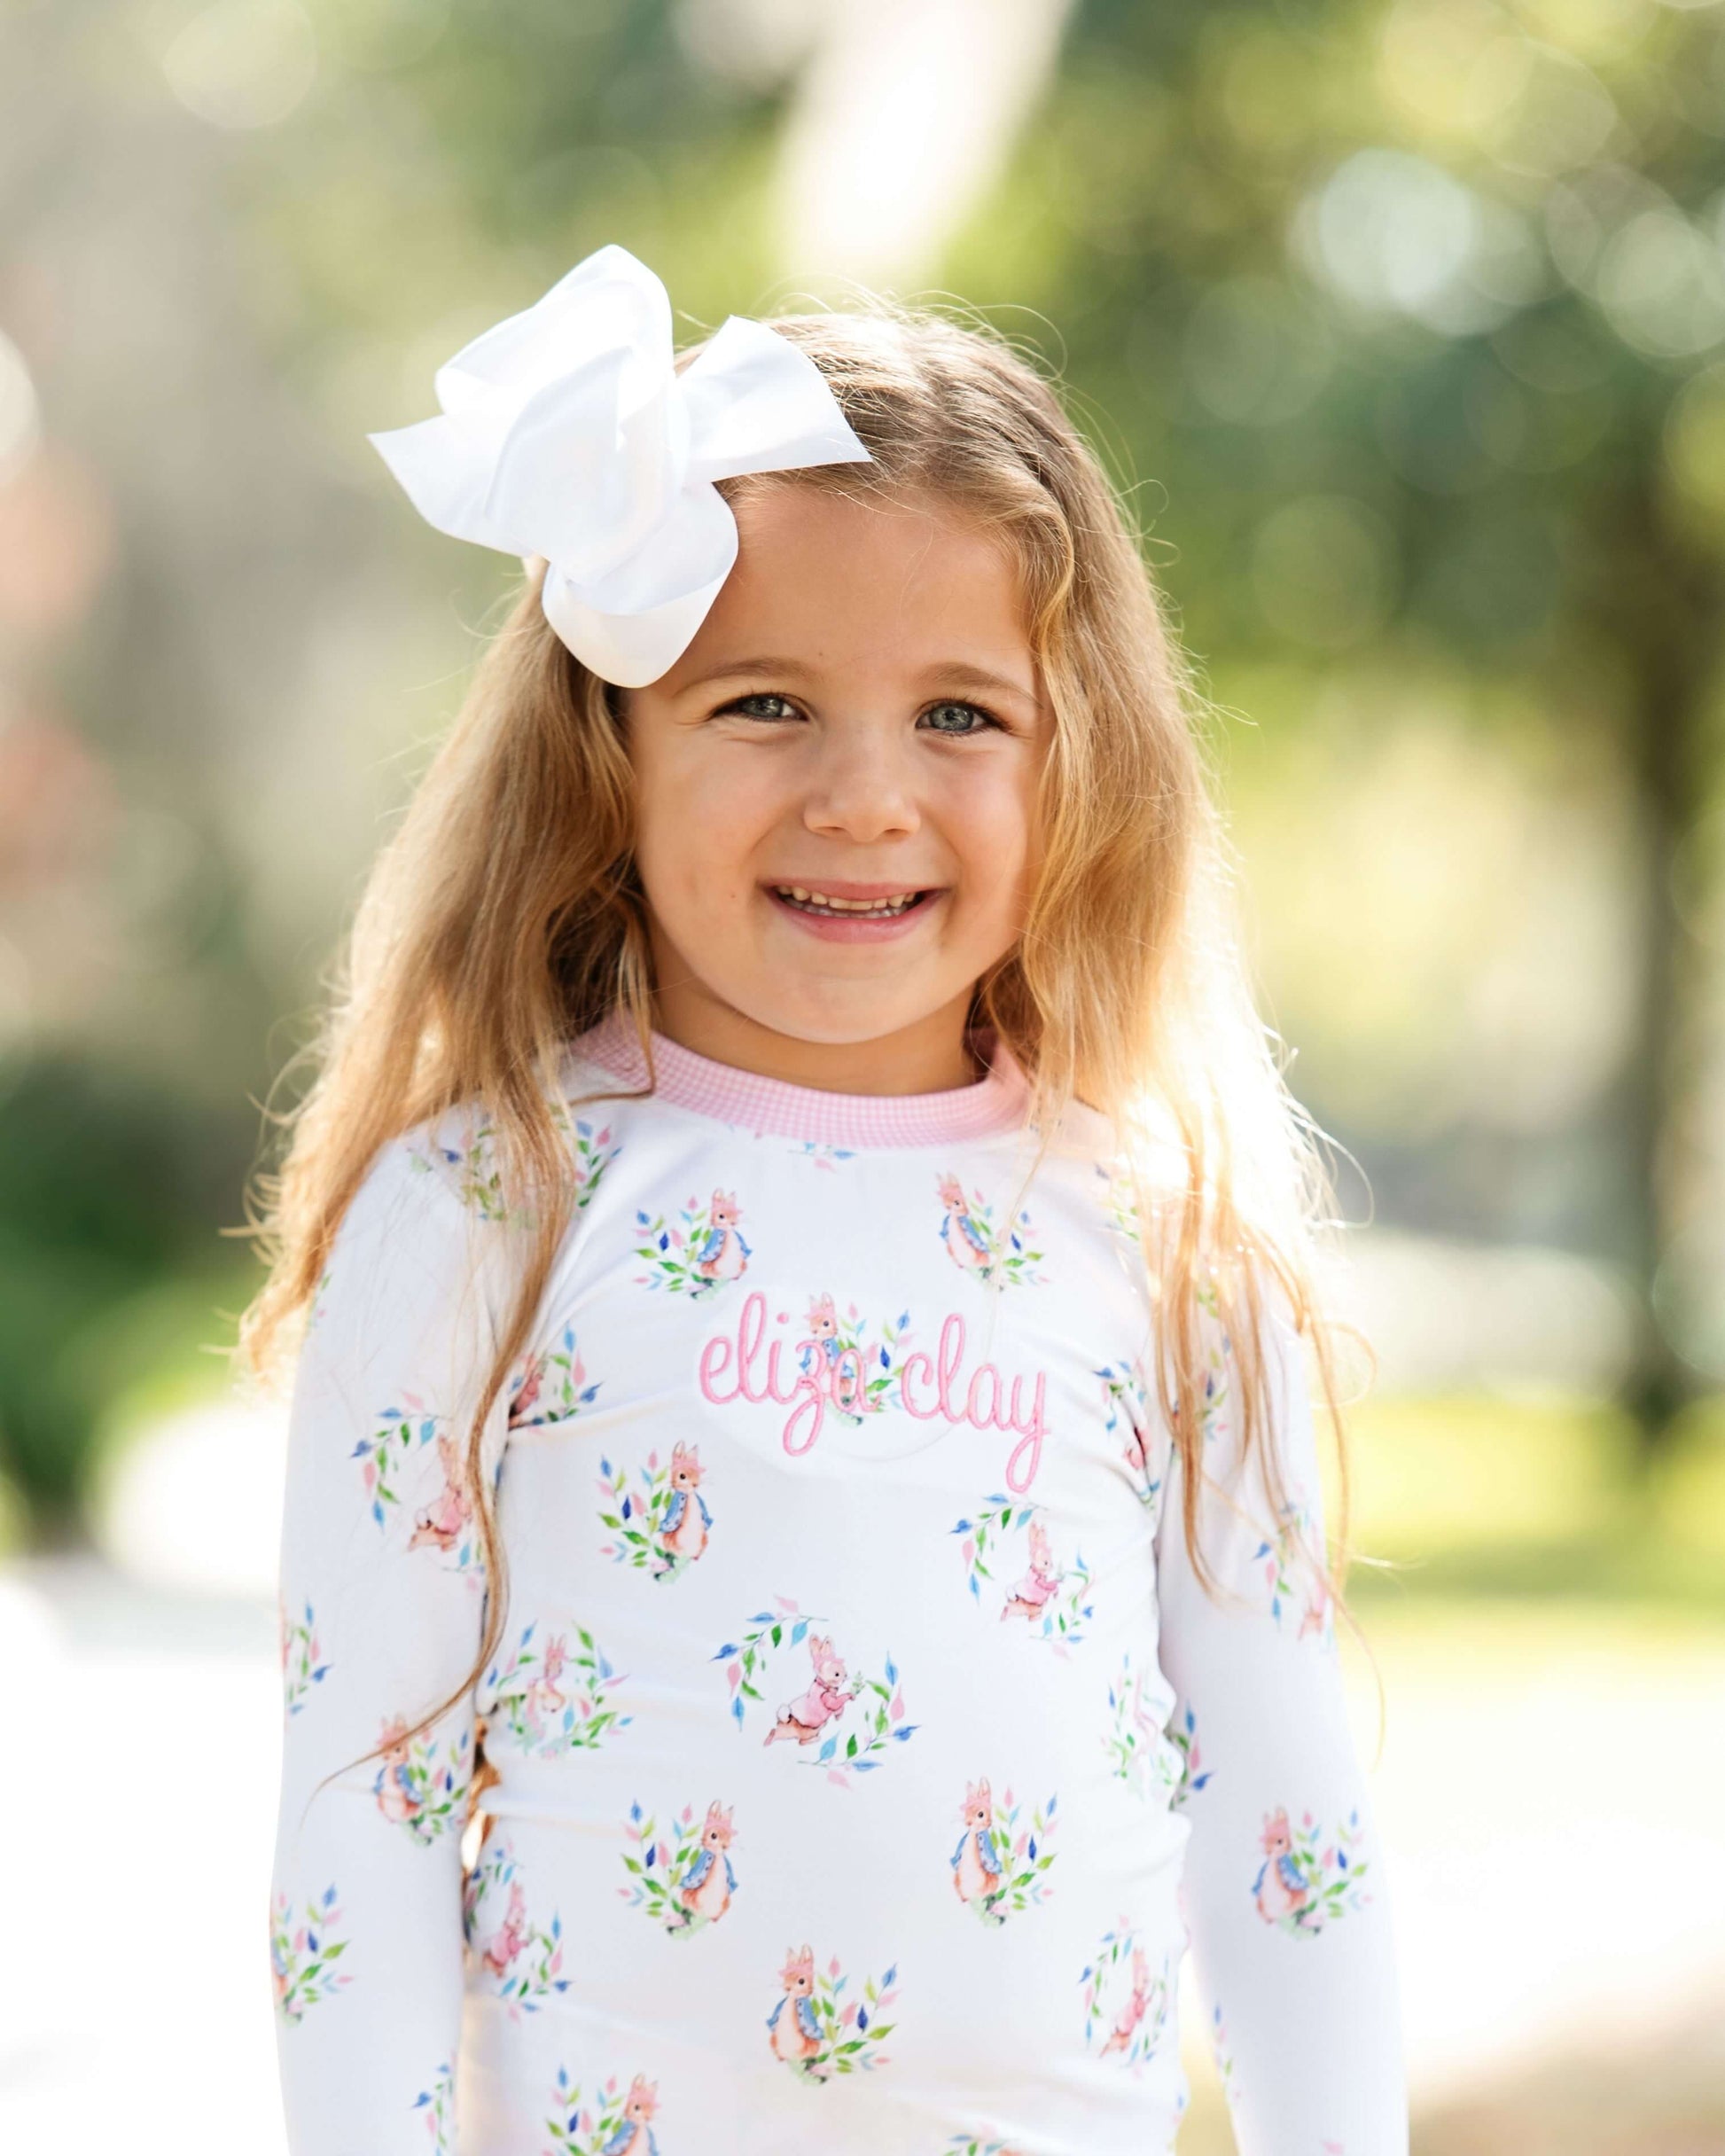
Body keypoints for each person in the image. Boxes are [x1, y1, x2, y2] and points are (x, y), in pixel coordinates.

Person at [242, 243, 1408, 2156]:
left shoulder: (1168, 1250)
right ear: (607, 750)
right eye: (766, 703)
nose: (865, 797)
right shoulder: (481, 1211)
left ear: (1081, 761)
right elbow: (361, 1808)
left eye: (960, 716)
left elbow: (1285, 1835)